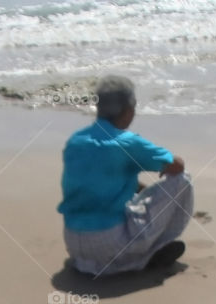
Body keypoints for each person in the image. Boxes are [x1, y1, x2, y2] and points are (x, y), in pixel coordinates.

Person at [56, 75, 194, 276]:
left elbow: (99, 179)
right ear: (128, 110)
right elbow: (177, 166)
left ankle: (105, 261)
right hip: (109, 241)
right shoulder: (127, 143)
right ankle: (148, 252)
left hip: (73, 241)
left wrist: (141, 188)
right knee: (182, 181)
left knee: (128, 198)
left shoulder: (76, 140)